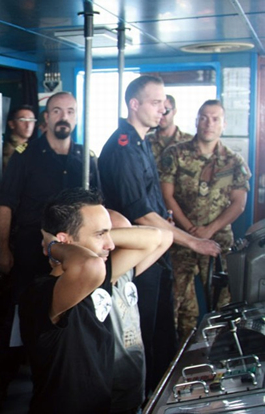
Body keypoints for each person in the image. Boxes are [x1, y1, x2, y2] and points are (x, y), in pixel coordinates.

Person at [98, 75, 220, 393]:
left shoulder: (141, 143)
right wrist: (193, 242)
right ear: (134, 104)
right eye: (155, 102)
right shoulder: (123, 148)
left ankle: (165, 395)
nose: (162, 109)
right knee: (145, 337)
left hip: (157, 253)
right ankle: (148, 401)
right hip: (138, 257)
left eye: (164, 103)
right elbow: (140, 213)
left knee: (163, 333)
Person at [18, 188, 171, 414]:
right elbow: (90, 266)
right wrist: (53, 245)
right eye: (100, 234)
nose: (111, 245)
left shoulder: (98, 280)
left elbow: (156, 238)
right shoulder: (41, 293)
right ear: (65, 241)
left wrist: (98, 237)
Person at [0, 91, 100, 404]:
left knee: (69, 320)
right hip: (30, 253)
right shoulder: (25, 156)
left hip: (73, 258)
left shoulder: (86, 159)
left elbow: (99, 208)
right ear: (47, 117)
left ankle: (58, 383)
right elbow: (6, 204)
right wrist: (3, 249)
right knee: (17, 318)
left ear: (76, 117)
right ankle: (0, 384)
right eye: (57, 111)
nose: (63, 117)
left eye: (70, 111)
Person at [160, 99, 251, 341]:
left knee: (223, 303)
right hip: (180, 239)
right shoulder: (175, 154)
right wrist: (190, 230)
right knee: (176, 302)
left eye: (215, 119)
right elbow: (166, 195)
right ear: (196, 121)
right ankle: (179, 352)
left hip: (217, 241)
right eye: (203, 118)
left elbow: (239, 203)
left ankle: (220, 351)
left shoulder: (233, 161)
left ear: (224, 124)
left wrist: (210, 230)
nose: (209, 124)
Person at [108, 211, 173, 414]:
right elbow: (153, 237)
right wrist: (94, 236)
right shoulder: (102, 277)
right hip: (113, 393)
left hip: (133, 386)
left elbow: (165, 236)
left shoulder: (125, 274)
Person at [146, 94, 193, 171]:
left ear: (174, 112)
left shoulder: (189, 141)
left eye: (165, 111)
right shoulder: (146, 140)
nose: (161, 116)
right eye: (158, 112)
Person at [2, 104, 37, 169]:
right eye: (22, 120)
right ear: (12, 124)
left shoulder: (32, 147)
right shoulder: (8, 150)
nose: (28, 125)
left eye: (31, 120)